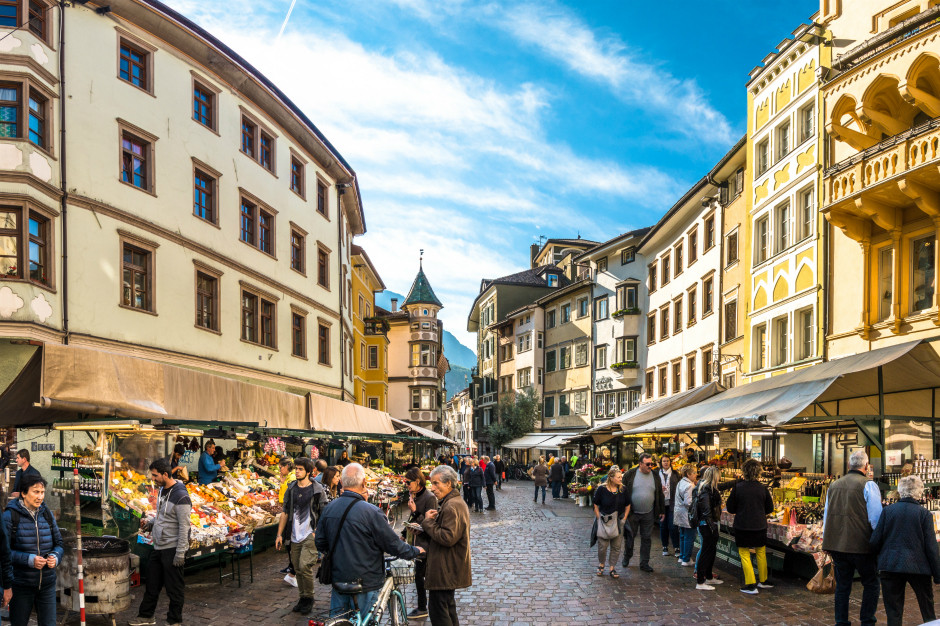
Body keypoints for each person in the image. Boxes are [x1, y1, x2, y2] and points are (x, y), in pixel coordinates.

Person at [315, 464, 423, 621]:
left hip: (339, 576)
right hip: (366, 579)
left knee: (339, 621)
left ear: (342, 483)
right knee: (366, 620)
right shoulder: (372, 512)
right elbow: (392, 544)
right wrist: (414, 551)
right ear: (364, 483)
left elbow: (320, 543)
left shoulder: (329, 508)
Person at [822, 450, 882, 626]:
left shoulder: (834, 485)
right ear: (866, 466)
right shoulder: (869, 485)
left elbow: (827, 515)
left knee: (842, 586)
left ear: (849, 465)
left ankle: (841, 621)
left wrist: (827, 540)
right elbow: (875, 518)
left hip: (838, 545)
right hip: (862, 545)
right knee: (871, 583)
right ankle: (867, 621)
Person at [870, 475, 940, 625]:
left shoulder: (888, 511)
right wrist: (937, 574)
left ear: (900, 491)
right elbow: (931, 547)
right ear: (919, 492)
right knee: (927, 609)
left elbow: (875, 540)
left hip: (890, 565)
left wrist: (875, 560)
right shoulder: (924, 514)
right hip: (919, 567)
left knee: (893, 611)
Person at [128, 459, 191, 626]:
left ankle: (174, 621)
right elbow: (162, 516)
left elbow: (185, 526)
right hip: (159, 546)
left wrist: (180, 553)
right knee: (152, 584)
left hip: (172, 549)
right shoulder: (163, 490)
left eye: (155, 475)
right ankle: (146, 616)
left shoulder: (181, 496)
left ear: (165, 474)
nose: (153, 478)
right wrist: (151, 524)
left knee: (174, 589)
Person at [275, 457, 327, 615]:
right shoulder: (291, 488)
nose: (296, 471)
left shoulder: (317, 490)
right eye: (296, 468)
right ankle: (303, 597)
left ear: (309, 472)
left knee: (305, 566)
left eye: (300, 469)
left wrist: (317, 531)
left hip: (309, 534)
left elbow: (324, 513)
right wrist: (279, 535)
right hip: (293, 535)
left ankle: (309, 598)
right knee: (297, 567)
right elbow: (284, 512)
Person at [422, 465, 471, 626]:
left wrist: (428, 523)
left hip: (445, 568)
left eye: (436, 483)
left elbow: (448, 537)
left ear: (449, 483)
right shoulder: (450, 502)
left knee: (440, 613)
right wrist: (424, 529)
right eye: (432, 483)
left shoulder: (452, 505)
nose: (433, 488)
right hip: (446, 567)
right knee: (447, 609)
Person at [4, 474, 57, 626]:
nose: (40, 496)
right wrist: (29, 560)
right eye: (35, 492)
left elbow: (59, 543)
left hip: (46, 584)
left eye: (42, 492)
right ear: (23, 493)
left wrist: (55, 556)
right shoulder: (10, 516)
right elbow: (4, 553)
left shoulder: (47, 514)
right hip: (21, 585)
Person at [725, 458, 774, 594]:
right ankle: (763, 580)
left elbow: (730, 508)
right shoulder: (763, 488)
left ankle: (751, 584)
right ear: (759, 472)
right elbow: (770, 508)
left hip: (742, 525)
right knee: (761, 551)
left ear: (744, 472)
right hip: (760, 525)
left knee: (744, 553)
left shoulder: (738, 488)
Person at [404, 467, 438, 620]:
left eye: (408, 482)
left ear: (417, 482)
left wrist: (415, 511)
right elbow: (413, 520)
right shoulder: (414, 495)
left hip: (426, 543)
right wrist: (404, 533)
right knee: (418, 576)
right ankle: (423, 606)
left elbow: (429, 524)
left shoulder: (429, 498)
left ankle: (423, 607)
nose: (406, 485)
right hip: (416, 541)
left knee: (420, 576)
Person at [622, 453, 665, 572]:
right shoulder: (630, 474)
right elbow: (622, 492)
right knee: (630, 537)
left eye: (652, 463)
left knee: (647, 538)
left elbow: (659, 493)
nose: (650, 466)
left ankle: (644, 563)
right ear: (640, 464)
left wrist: (661, 510)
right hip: (632, 513)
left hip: (649, 513)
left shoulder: (655, 475)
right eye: (647, 464)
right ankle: (627, 556)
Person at [594, 468, 628, 578]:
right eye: (618, 477)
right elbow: (595, 504)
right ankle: (601, 564)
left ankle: (612, 567)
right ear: (611, 478)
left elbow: (628, 505)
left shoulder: (623, 489)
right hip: (605, 520)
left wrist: (624, 519)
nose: (621, 479)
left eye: (621, 477)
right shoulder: (601, 489)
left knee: (616, 546)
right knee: (602, 546)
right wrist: (599, 518)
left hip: (618, 520)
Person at [693, 466, 723, 590]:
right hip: (706, 525)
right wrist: (713, 528)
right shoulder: (705, 490)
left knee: (711, 551)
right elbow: (706, 512)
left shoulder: (708, 488)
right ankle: (700, 581)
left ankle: (709, 577)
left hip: (709, 524)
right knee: (706, 551)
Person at [276, 458, 298, 584]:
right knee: (288, 542)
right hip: (286, 510)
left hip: (290, 514)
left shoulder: (291, 478)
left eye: (281, 467)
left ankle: (293, 569)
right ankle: (292, 568)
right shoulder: (288, 478)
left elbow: (286, 495)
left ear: (287, 466)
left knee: (289, 542)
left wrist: (283, 482)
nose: (280, 470)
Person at [673, 464, 698, 567]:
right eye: (694, 473)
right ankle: (686, 559)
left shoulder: (680, 482)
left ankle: (682, 556)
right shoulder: (689, 485)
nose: (696, 475)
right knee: (689, 537)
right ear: (689, 474)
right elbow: (688, 502)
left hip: (679, 513)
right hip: (686, 515)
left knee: (683, 535)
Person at [657, 455, 680, 557]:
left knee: (673, 526)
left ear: (670, 462)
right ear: (661, 463)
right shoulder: (656, 474)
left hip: (672, 504)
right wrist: (658, 489)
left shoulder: (675, 474)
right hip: (661, 504)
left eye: (667, 461)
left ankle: (676, 547)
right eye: (664, 461)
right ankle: (665, 546)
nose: (666, 463)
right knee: (663, 526)